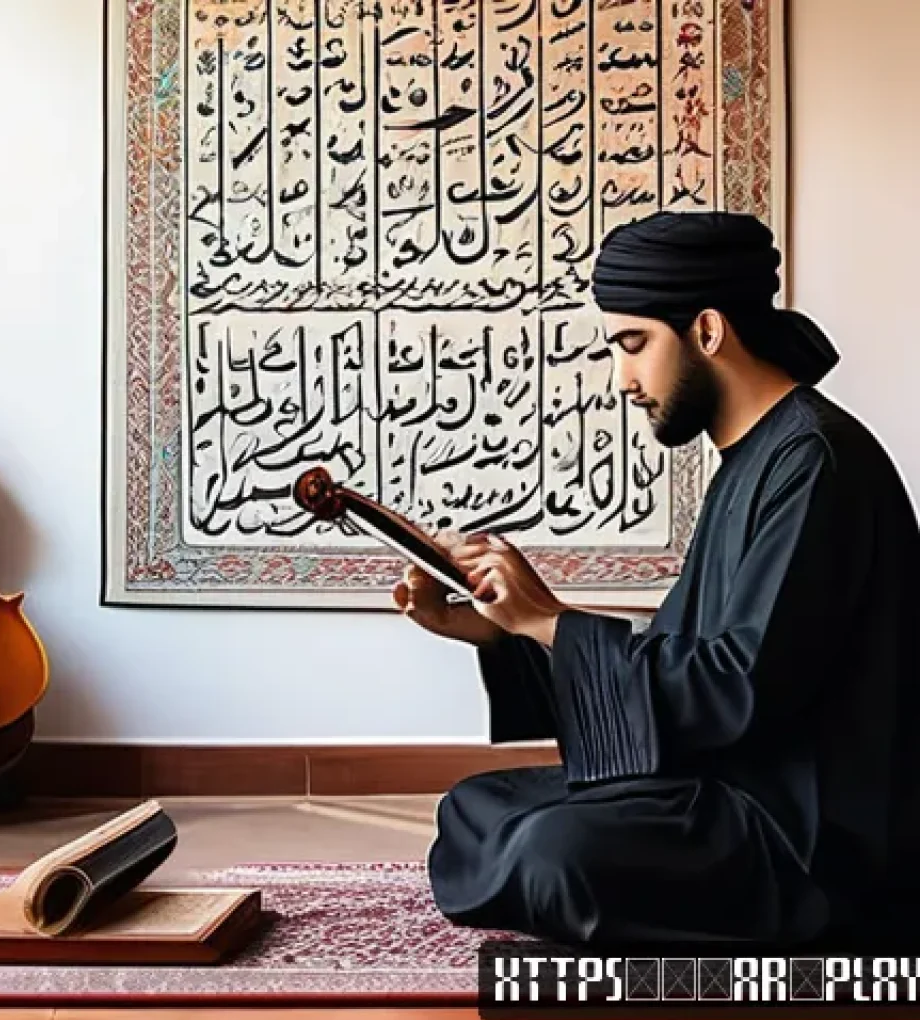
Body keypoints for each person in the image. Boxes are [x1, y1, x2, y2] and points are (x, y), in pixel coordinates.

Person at [393, 211, 920, 951]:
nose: (623, 381)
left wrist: (550, 621)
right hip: (729, 790)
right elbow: (684, 650)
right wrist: (505, 628)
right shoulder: (757, 454)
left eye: (633, 345)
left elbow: (739, 687)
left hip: (805, 838)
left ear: (706, 331)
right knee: (477, 809)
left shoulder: (814, 463)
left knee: (552, 853)